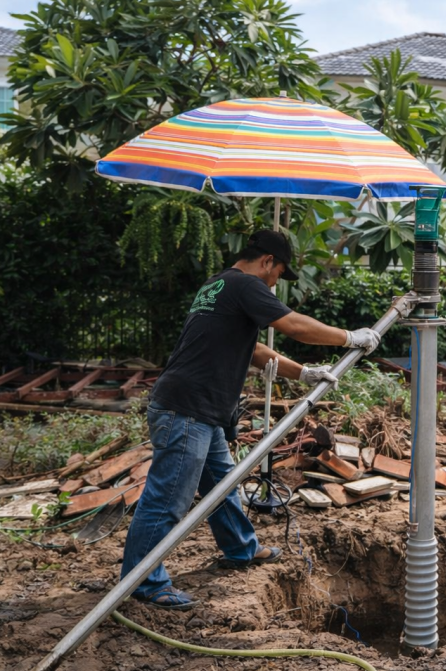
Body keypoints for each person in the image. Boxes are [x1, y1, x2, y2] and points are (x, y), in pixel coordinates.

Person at [121, 229, 381, 610]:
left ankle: (241, 548)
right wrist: (349, 337)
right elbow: (293, 326)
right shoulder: (245, 285)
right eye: (279, 273)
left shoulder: (217, 285)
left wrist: (304, 372)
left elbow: (255, 350)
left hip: (198, 408)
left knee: (223, 485)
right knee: (167, 499)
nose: (277, 283)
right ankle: (144, 582)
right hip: (186, 408)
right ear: (267, 262)